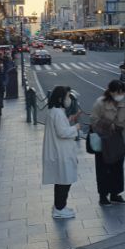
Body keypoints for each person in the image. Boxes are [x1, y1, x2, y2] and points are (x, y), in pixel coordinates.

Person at [90, 80, 125, 206]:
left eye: (122, 92)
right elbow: (93, 120)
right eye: (117, 92)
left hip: (119, 140)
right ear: (110, 91)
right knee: (103, 169)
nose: (120, 95)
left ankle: (115, 194)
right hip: (104, 140)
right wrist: (109, 125)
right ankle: (103, 196)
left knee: (117, 168)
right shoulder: (100, 102)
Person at [42, 86, 81, 219]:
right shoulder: (58, 112)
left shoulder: (54, 111)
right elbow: (62, 132)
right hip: (61, 152)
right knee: (64, 181)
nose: (68, 99)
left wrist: (69, 120)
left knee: (61, 180)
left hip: (59, 151)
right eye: (67, 96)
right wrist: (75, 127)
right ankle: (59, 208)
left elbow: (60, 126)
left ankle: (60, 206)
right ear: (60, 99)